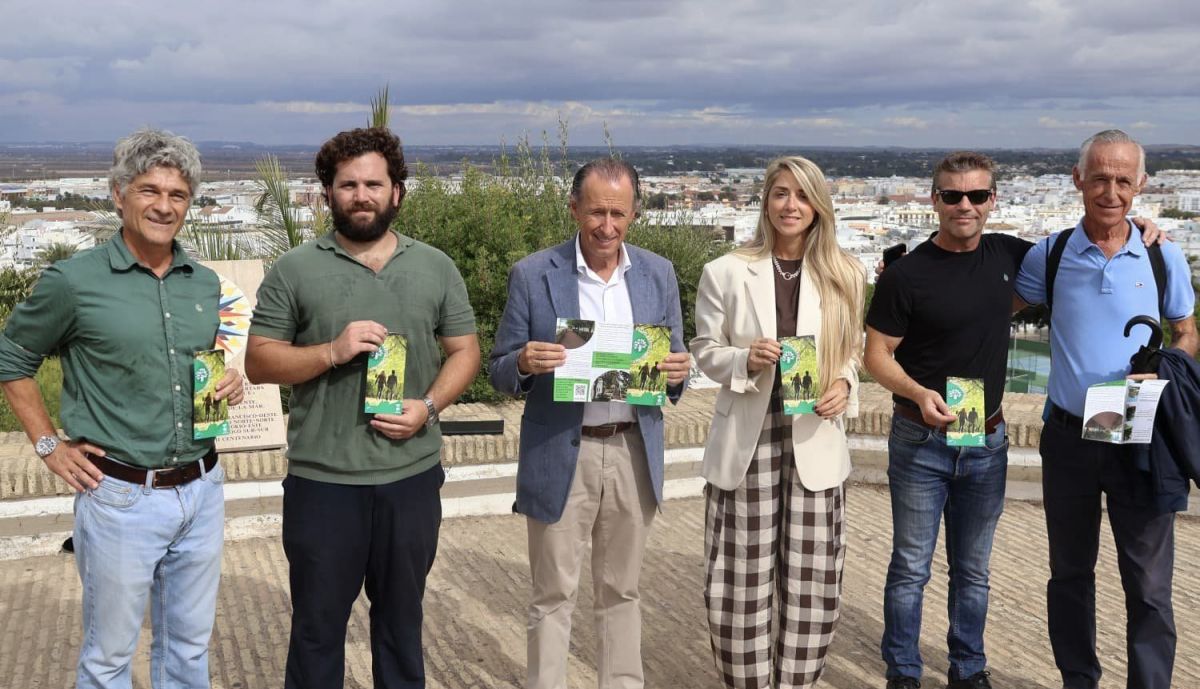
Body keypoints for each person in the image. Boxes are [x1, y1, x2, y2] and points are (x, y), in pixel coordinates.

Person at [0, 128, 245, 689]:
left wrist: (228, 381)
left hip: (203, 489)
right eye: (149, 190)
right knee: (109, 657)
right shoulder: (73, 282)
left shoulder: (203, 284)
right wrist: (48, 445)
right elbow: (11, 358)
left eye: (178, 194)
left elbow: (197, 367)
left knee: (188, 649)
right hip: (120, 497)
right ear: (118, 194)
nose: (164, 206)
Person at [245, 127, 480, 689]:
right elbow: (259, 362)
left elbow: (465, 351)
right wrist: (331, 351)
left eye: (374, 184)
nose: (361, 196)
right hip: (323, 484)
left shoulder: (436, 267)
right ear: (328, 192)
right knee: (317, 632)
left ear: (397, 191)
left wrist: (428, 406)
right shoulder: (295, 269)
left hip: (410, 480)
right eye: (348, 185)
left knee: (401, 627)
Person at [489, 158, 691, 689]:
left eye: (618, 214)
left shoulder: (659, 273)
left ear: (635, 214)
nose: (607, 226)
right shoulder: (533, 273)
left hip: (632, 449)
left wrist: (677, 373)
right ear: (574, 208)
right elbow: (499, 369)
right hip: (561, 449)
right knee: (553, 594)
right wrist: (524, 362)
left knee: (622, 591)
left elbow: (675, 364)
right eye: (596, 212)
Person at [1014, 129, 1198, 689]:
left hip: (1138, 436)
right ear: (1078, 180)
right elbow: (987, 306)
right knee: (1069, 574)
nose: (1110, 192)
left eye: (1122, 180)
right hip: (1069, 438)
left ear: (1141, 184)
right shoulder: (1049, 255)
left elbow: (1186, 332)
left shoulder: (1163, 255)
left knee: (1149, 585)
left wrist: (1166, 369)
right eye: (1099, 178)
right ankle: (1079, 680)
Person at [691, 155, 865, 688]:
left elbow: (851, 352)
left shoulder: (846, 273)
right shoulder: (724, 271)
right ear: (765, 202)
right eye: (781, 193)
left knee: (814, 581)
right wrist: (744, 359)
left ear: (819, 206)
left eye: (803, 195)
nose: (791, 205)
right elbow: (704, 350)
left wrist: (844, 386)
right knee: (739, 577)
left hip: (815, 431)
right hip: (749, 431)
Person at [865, 151, 1029, 689]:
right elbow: (876, 355)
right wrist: (918, 393)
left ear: (992, 200)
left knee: (974, 571)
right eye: (953, 195)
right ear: (934, 199)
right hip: (921, 439)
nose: (965, 205)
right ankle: (903, 671)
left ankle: (968, 668)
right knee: (911, 566)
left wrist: (1143, 231)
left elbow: (1083, 253)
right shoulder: (906, 275)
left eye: (977, 195)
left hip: (988, 439)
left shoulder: (1010, 255)